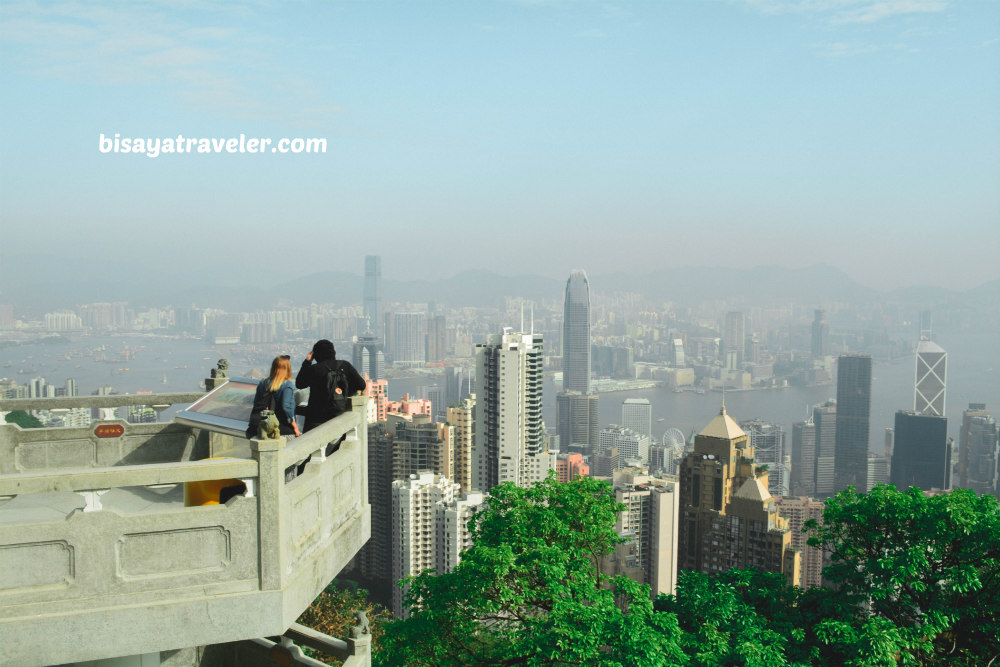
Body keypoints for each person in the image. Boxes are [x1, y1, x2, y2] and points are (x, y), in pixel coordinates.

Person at [296, 339, 366, 433]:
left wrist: (307, 361)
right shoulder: (345, 366)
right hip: (340, 417)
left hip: (316, 419)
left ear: (315, 354)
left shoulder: (314, 369)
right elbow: (361, 385)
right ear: (334, 352)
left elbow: (299, 384)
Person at [246, 355, 301, 440]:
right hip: (281, 427)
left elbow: (257, 403)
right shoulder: (287, 385)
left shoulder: (263, 383)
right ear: (287, 369)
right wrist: (295, 426)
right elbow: (286, 406)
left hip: (262, 426)